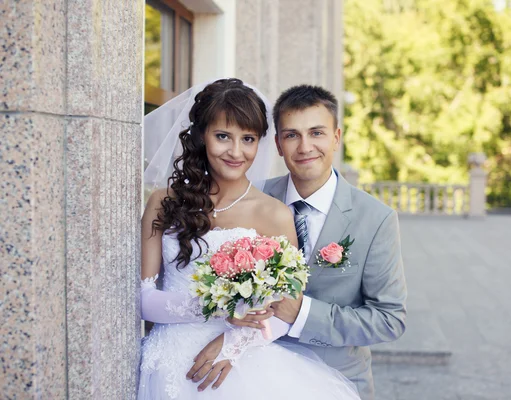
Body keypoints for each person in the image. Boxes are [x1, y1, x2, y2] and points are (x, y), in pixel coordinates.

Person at [138, 78, 360, 399]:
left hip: (237, 366)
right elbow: (144, 300)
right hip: (167, 362)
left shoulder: (275, 214)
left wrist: (233, 343)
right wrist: (216, 308)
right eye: (223, 136)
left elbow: (286, 312)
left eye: (249, 139)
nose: (236, 152)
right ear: (201, 136)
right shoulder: (164, 202)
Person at [197, 84, 408, 400]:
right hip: (251, 376)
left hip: (335, 379)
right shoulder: (250, 199)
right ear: (279, 144)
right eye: (292, 135)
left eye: (317, 133)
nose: (305, 146)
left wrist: (303, 313)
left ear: (336, 138)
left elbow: (389, 319)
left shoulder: (375, 219)